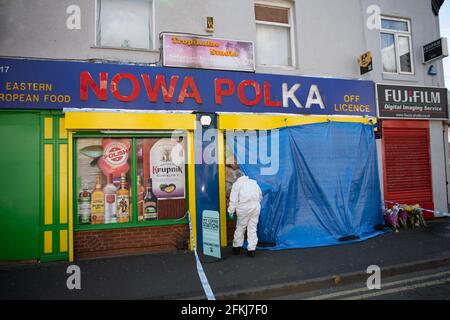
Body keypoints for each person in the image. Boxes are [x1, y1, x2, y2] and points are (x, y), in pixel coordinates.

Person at [228, 172, 263, 258]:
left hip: (244, 208)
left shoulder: (237, 184)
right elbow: (260, 195)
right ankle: (252, 250)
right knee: (252, 228)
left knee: (240, 227)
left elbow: (233, 200)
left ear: (236, 177)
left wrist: (230, 211)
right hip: (255, 207)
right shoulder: (253, 182)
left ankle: (237, 247)